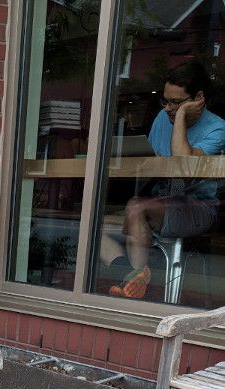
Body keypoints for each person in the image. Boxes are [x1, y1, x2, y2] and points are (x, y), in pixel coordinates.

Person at [102, 61, 225, 299]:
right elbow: (155, 158)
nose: (168, 108)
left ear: (197, 98)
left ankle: (136, 277)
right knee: (96, 225)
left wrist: (180, 117)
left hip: (199, 207)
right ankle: (133, 278)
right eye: (165, 101)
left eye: (176, 103)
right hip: (159, 200)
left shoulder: (218, 129)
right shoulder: (161, 117)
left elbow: (182, 165)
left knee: (136, 206)